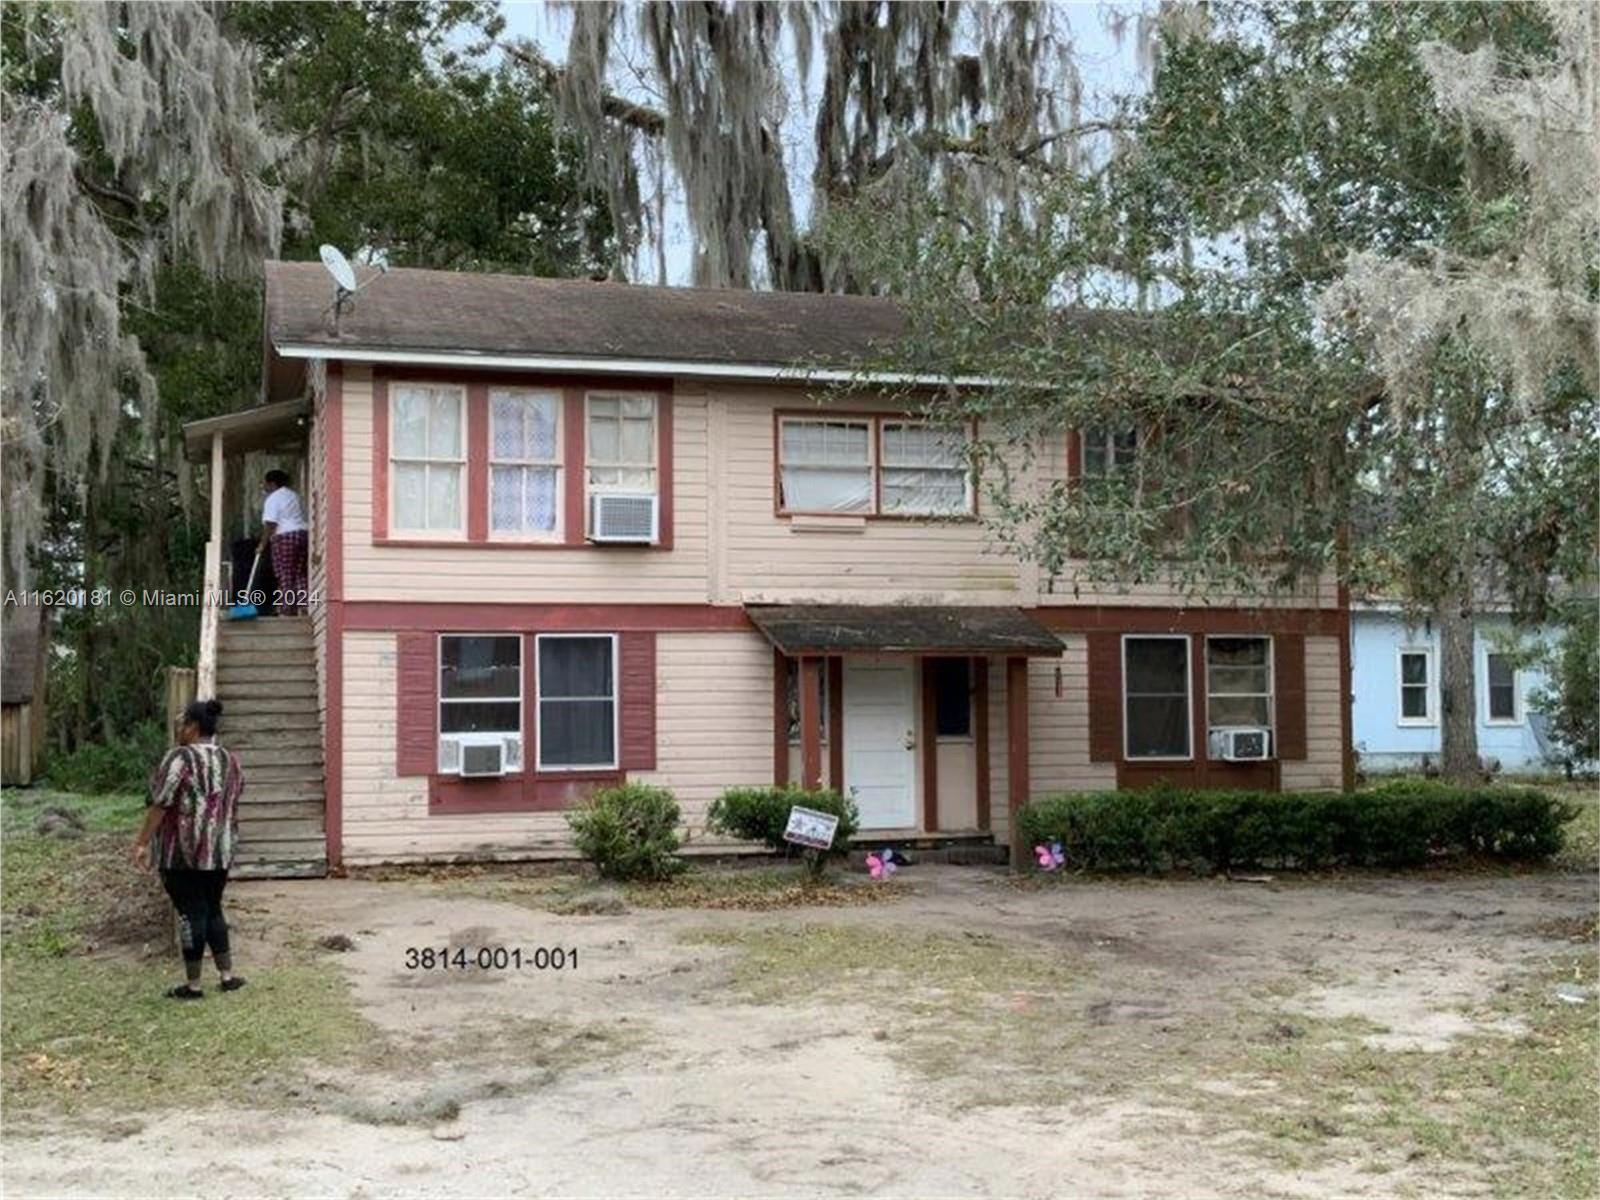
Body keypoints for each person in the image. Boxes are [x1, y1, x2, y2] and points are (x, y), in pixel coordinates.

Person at [134, 699, 246, 1000]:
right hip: (220, 851)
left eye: (182, 724)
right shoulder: (231, 760)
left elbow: (161, 802)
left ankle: (194, 985)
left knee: (191, 913)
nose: (179, 730)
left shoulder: (179, 758)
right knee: (213, 908)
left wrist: (142, 842)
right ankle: (227, 976)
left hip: (181, 852)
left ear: (193, 727)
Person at [260, 468, 308, 615]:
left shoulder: (273, 498)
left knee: (285, 574)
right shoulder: (294, 495)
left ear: (272, 483)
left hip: (284, 536)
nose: (264, 487)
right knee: (299, 573)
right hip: (302, 534)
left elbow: (270, 524)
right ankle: (304, 605)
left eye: (265, 483)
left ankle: (286, 609)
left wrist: (262, 544)